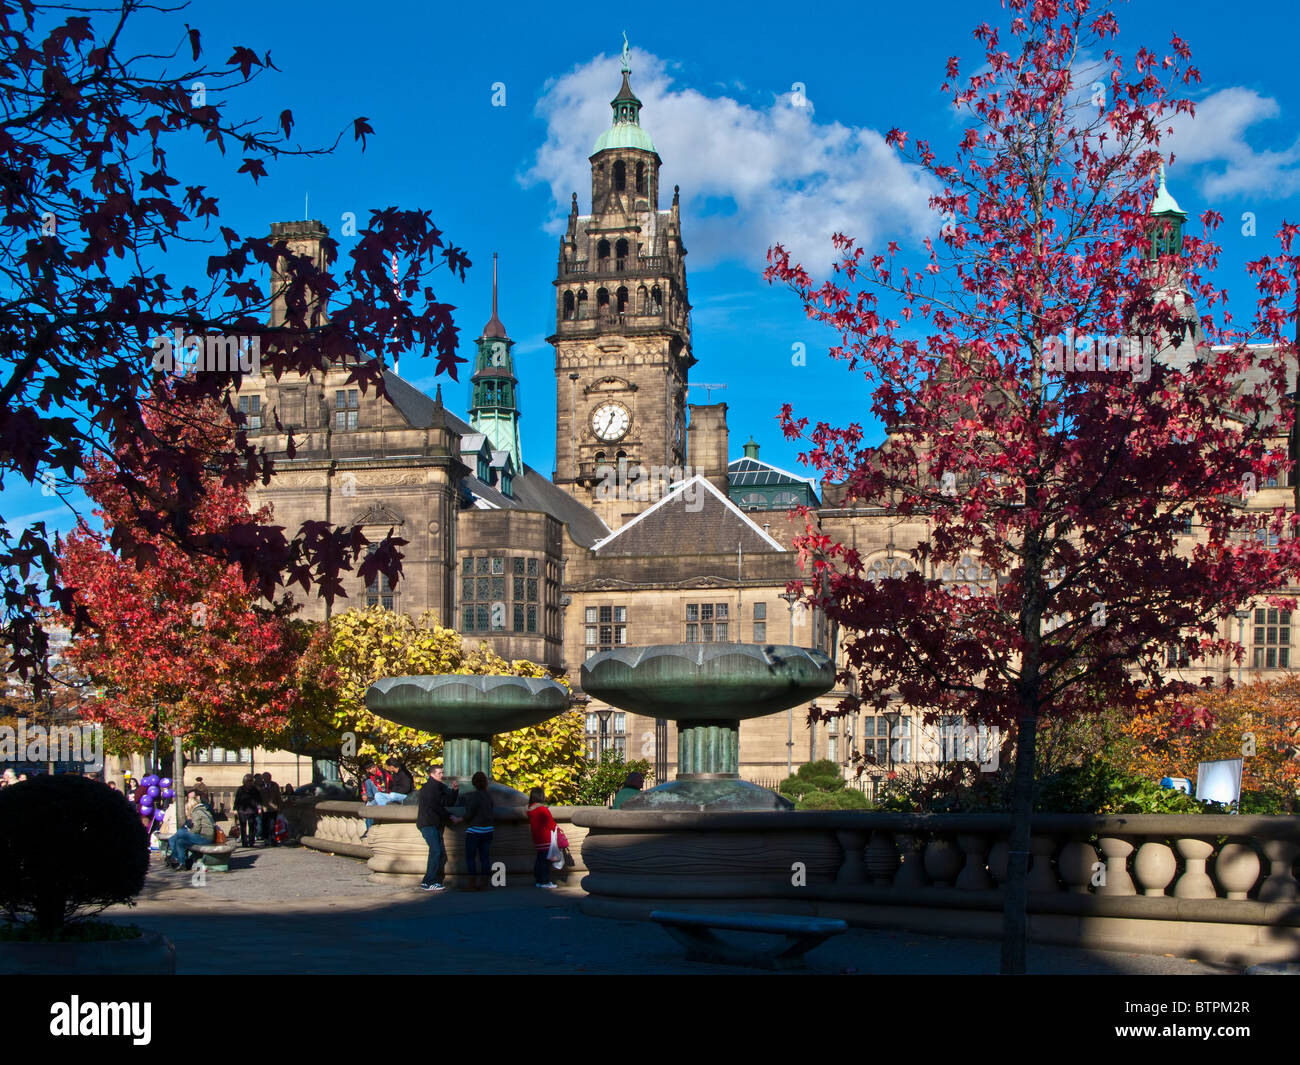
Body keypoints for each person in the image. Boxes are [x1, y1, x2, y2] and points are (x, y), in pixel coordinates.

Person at [415, 765, 459, 892]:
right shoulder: (428, 788)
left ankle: (429, 880)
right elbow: (436, 806)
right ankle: (429, 881)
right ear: (432, 774)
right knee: (436, 851)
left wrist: (455, 790)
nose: (442, 775)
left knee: (437, 852)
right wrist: (451, 816)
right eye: (439, 773)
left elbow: (448, 802)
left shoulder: (440, 787)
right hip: (428, 824)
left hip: (435, 824)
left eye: (442, 772)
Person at [451, 771, 494, 891]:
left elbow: (469, 814)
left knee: (470, 857)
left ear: (474, 783)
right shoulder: (489, 796)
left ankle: (472, 884)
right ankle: (484, 883)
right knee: (485, 857)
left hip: (475, 831)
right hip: (488, 830)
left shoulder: (473, 796)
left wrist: (458, 819)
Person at [166, 790, 215, 870]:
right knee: (180, 842)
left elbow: (196, 829)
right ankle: (182, 864)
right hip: (205, 836)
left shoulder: (196, 812)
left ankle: (174, 857)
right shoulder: (201, 809)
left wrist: (188, 831)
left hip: (205, 837)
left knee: (180, 832)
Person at [526, 787, 559, 889]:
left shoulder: (531, 809)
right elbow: (551, 824)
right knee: (545, 862)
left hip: (537, 838)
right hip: (545, 838)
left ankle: (539, 880)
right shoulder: (543, 809)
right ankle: (545, 881)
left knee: (540, 859)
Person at [234, 773, 261, 848]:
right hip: (242, 810)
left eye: (251, 780)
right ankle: (244, 842)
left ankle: (251, 841)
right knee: (243, 827)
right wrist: (235, 809)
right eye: (249, 781)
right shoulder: (240, 789)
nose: (250, 782)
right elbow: (237, 799)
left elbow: (258, 799)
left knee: (252, 826)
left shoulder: (254, 789)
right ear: (245, 781)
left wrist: (259, 807)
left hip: (252, 810)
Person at [257, 773, 282, 846]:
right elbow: (258, 798)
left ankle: (273, 839)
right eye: (265, 777)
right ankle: (266, 839)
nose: (267, 779)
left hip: (273, 808)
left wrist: (280, 806)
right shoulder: (260, 786)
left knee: (272, 824)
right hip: (264, 809)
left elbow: (278, 796)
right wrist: (259, 807)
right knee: (265, 824)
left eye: (268, 777)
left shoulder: (275, 785)